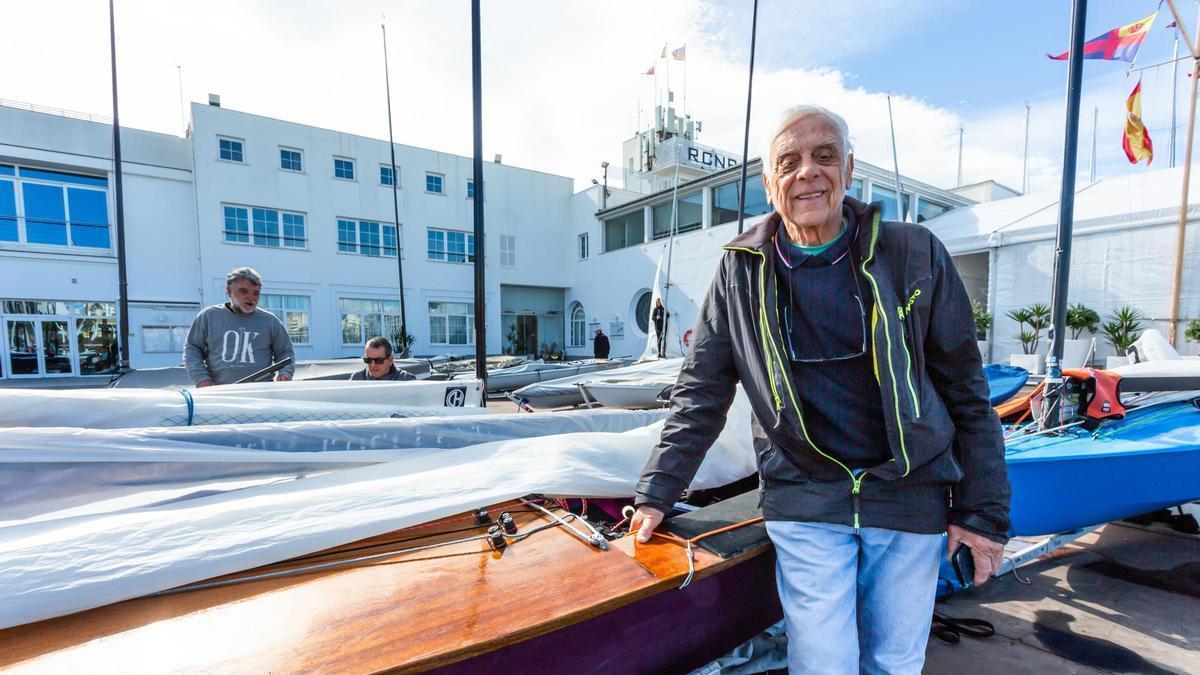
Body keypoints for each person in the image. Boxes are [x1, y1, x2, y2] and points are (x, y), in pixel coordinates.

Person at [630, 105, 1010, 674]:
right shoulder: (740, 270)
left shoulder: (914, 252)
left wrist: (982, 513)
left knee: (894, 662)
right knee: (824, 664)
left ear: (849, 169)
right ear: (769, 184)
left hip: (910, 494)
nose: (807, 172)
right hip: (805, 496)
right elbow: (701, 390)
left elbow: (965, 392)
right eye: (790, 161)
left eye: (824, 156)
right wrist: (658, 491)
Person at [184, 267, 295, 387]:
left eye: (255, 293)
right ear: (228, 290)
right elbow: (192, 349)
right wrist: (202, 379)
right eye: (243, 291)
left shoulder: (270, 321)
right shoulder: (208, 316)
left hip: (261, 393)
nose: (251, 297)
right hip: (218, 393)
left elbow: (285, 352)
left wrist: (285, 373)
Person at [350, 336, 415, 381]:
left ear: (390, 360)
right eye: (368, 360)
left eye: (378, 360)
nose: (373, 365)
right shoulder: (356, 379)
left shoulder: (407, 380)